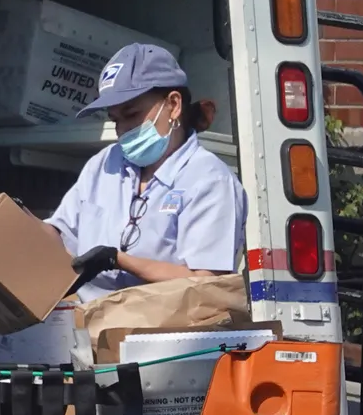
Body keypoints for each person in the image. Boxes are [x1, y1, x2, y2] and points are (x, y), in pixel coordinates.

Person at [47, 43, 247, 303]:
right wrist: (12, 220)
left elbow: (207, 284)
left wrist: (119, 260)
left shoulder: (210, 180)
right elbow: (59, 235)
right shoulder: (104, 164)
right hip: (87, 327)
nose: (123, 130)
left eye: (131, 114)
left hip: (165, 333)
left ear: (173, 105)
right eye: (115, 119)